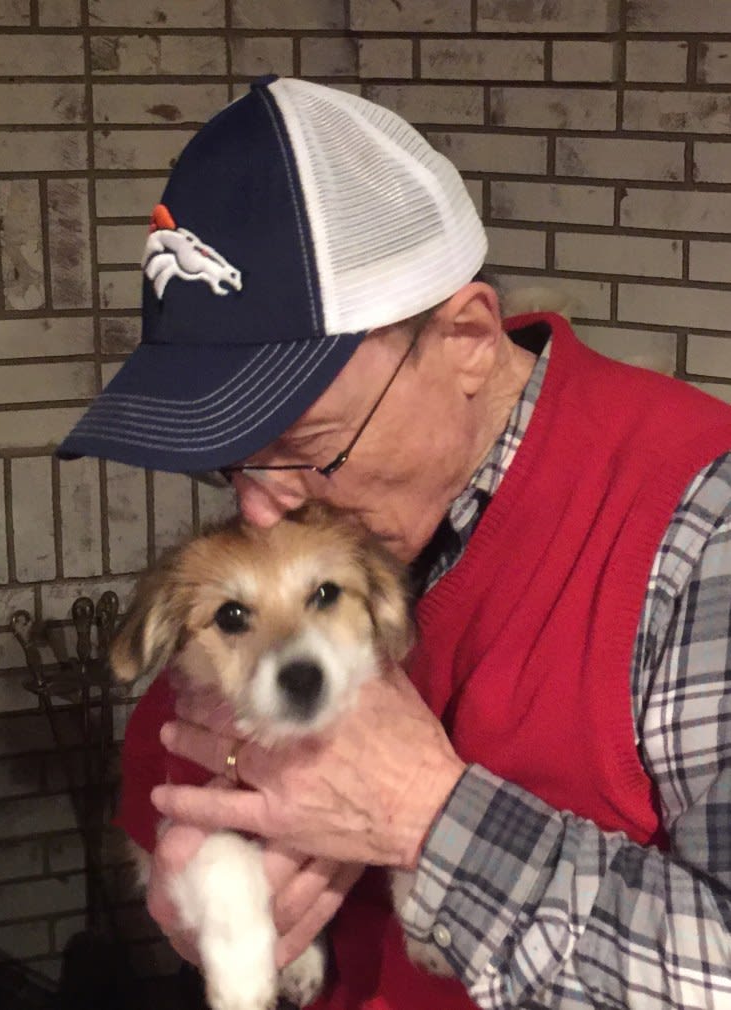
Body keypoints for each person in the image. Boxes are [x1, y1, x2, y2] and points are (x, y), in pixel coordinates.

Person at [58, 76, 731, 1008]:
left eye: (300, 448)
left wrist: (433, 819)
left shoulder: (702, 530)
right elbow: (178, 797)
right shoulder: (306, 543)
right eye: (226, 461)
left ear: (465, 337)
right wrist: (194, 890)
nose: (261, 511)